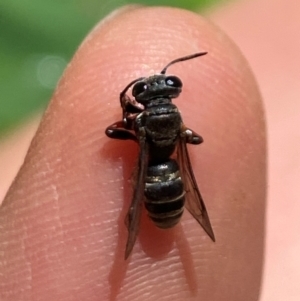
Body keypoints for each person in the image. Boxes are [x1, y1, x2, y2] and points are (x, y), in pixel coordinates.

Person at [0, 6, 266, 300]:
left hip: (156, 180)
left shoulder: (140, 122)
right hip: (168, 179)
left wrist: (128, 108)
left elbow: (113, 132)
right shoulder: (173, 121)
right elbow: (192, 139)